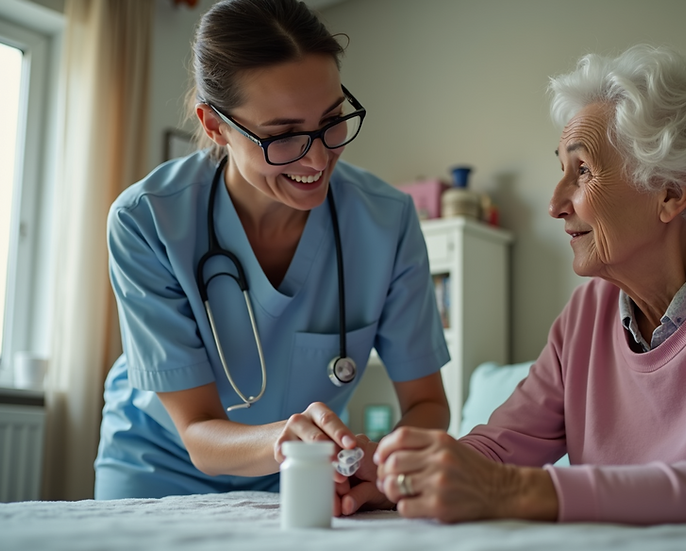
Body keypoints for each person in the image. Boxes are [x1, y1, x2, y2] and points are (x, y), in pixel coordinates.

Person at [362, 45, 686, 524]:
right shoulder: (586, 316)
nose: (554, 203)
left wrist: (513, 491)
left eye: (583, 171)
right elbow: (498, 449)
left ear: (670, 192)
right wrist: (392, 476)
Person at [94, 0, 450, 505]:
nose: (320, 157)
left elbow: (428, 403)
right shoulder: (148, 220)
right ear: (215, 126)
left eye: (332, 120)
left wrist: (382, 463)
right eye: (283, 136)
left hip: (308, 474)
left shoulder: (386, 221)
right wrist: (284, 441)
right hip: (160, 463)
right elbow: (197, 430)